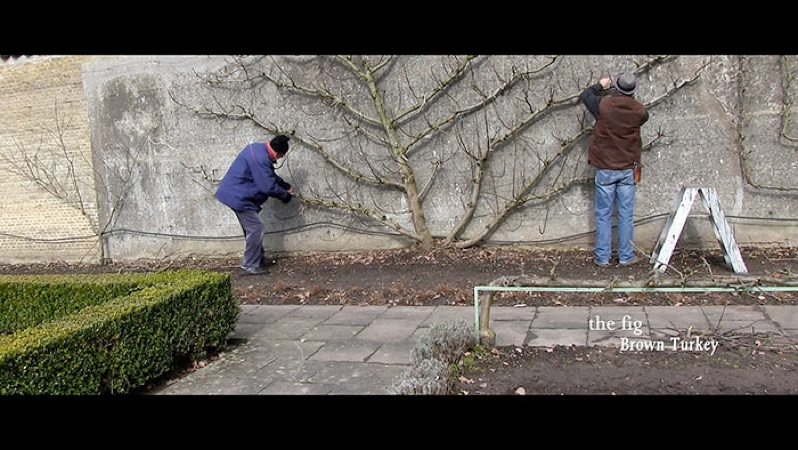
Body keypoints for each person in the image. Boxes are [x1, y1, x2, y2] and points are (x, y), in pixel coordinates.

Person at [579, 71, 649, 267]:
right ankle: (626, 256)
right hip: (627, 169)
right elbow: (643, 117)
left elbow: (585, 96)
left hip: (605, 168)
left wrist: (600, 85)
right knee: (626, 214)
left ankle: (602, 257)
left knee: (603, 214)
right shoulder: (640, 111)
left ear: (616, 87)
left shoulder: (603, 105)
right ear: (633, 91)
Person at [215, 134, 294, 275]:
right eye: (281, 156)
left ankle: (257, 258)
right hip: (238, 197)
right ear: (277, 153)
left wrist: (282, 184)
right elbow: (267, 186)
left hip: (235, 194)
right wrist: (285, 195)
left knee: (252, 228)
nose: (279, 159)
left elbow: (267, 175)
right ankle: (250, 264)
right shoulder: (261, 159)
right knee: (255, 228)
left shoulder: (257, 150)